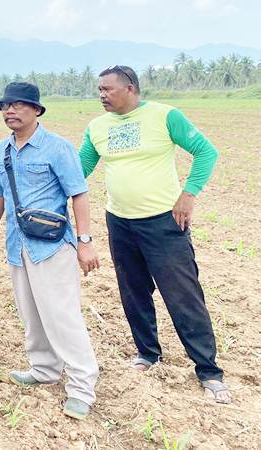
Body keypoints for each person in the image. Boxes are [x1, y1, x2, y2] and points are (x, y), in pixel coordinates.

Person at [79, 65, 230, 403]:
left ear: (130, 88)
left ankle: (208, 370)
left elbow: (207, 152)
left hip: (164, 221)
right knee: (133, 292)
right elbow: (80, 169)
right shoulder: (97, 127)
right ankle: (148, 353)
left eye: (107, 89)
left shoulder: (165, 116)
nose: (101, 95)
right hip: (120, 221)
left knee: (183, 295)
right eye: (99, 90)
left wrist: (188, 194)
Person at [0, 82, 100, 420]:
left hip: (51, 247)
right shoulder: (2, 150)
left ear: (36, 110)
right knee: (30, 314)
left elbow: (78, 194)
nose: (10, 111)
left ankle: (82, 386)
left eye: (18, 105)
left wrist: (85, 241)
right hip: (17, 245)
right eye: (6, 105)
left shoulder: (57, 148)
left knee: (62, 316)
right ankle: (44, 368)